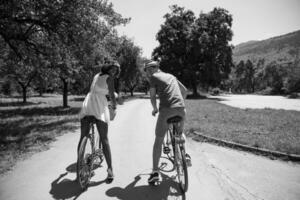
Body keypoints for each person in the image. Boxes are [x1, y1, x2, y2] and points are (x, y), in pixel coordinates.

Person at [144, 60, 191, 184]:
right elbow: (185, 91)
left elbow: (153, 96)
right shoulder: (171, 76)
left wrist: (154, 108)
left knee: (158, 141)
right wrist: (179, 104)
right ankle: (185, 155)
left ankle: (155, 172)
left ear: (150, 69)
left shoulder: (154, 77)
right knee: (180, 133)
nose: (148, 74)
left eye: (147, 71)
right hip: (181, 109)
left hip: (166, 111)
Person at [78, 61, 120, 182]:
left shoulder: (96, 76)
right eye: (112, 69)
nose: (114, 72)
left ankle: (80, 168)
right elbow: (111, 96)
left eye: (115, 70)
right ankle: (110, 169)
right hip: (99, 107)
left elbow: (96, 90)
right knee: (104, 139)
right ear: (107, 68)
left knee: (83, 137)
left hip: (88, 105)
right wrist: (114, 107)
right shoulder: (110, 79)